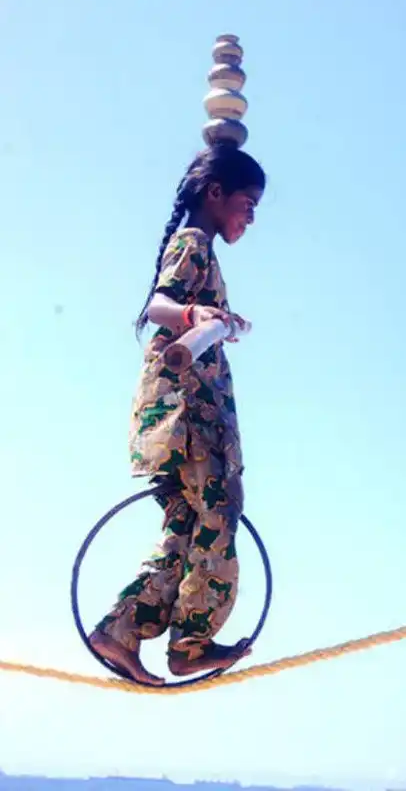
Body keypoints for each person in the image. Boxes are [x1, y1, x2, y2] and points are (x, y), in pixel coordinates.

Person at [89, 143, 266, 686]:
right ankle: (190, 642)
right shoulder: (193, 243)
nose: (250, 218)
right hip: (187, 419)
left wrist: (217, 319)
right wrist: (194, 314)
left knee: (185, 530)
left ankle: (122, 631)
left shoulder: (197, 248)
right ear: (216, 193)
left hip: (172, 420)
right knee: (218, 515)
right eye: (247, 204)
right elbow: (159, 308)